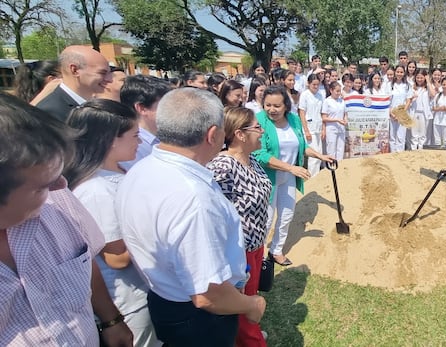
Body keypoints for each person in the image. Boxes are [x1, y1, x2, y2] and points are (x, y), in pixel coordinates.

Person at [116, 88, 266, 346]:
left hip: (165, 301)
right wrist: (252, 304)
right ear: (212, 134)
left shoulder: (140, 170)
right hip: (199, 318)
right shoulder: (193, 198)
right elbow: (208, 295)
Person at [0, 93, 133, 347]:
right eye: (41, 186)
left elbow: (84, 258)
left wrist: (111, 319)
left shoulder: (59, 200)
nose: (62, 185)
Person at [63, 99, 161, 347]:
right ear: (109, 139)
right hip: (128, 303)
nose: (139, 142)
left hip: (142, 292)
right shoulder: (97, 189)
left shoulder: (116, 172)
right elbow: (117, 258)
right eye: (134, 135)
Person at [207, 106, 272, 347]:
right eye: (257, 127)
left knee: (251, 298)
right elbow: (215, 213)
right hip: (237, 251)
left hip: (255, 245)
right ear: (240, 134)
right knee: (242, 306)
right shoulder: (223, 166)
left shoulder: (252, 160)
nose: (262, 131)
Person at [254, 86, 334, 266]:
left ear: (286, 106)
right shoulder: (259, 121)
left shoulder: (294, 120)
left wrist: (320, 155)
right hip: (268, 179)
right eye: (268, 105)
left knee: (287, 215)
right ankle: (256, 255)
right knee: (266, 219)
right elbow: (261, 154)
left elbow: (301, 146)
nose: (272, 110)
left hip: (288, 178)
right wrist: (290, 168)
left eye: (277, 106)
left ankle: (276, 250)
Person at [36, 45, 113, 120]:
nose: (110, 79)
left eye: (110, 73)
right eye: (102, 73)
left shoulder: (99, 104)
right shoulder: (50, 112)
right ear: (75, 70)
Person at [118, 75, 172, 170]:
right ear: (142, 108)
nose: (173, 109)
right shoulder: (130, 148)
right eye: (165, 105)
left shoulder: (165, 138)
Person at [298, 73, 325, 177]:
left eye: (317, 84)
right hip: (309, 128)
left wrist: (323, 129)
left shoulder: (320, 95)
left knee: (319, 154)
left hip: (318, 126)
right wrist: (306, 130)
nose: (316, 86)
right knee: (313, 156)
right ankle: (312, 177)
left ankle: (317, 176)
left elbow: (322, 113)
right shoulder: (305, 95)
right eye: (313, 84)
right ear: (309, 84)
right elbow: (302, 113)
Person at [389, 65, 413, 152]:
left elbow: (408, 101)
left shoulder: (407, 86)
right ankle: (392, 154)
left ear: (404, 73)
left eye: (401, 72)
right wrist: (391, 114)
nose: (399, 74)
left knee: (401, 136)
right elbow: (387, 101)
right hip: (391, 114)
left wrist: (401, 113)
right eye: (398, 72)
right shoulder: (389, 85)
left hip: (402, 114)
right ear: (395, 72)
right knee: (392, 136)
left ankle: (400, 155)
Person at [322, 81, 348, 160]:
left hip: (341, 128)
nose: (338, 93)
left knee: (340, 149)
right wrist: (337, 120)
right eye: (336, 91)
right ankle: (331, 168)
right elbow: (324, 118)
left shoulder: (342, 101)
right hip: (331, 129)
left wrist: (345, 120)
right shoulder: (327, 101)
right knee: (331, 150)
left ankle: (339, 167)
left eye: (339, 91)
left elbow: (345, 113)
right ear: (331, 90)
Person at [408, 68, 432, 150]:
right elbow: (408, 99)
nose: (419, 79)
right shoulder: (412, 87)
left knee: (422, 134)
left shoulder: (427, 88)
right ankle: (414, 150)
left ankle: (421, 151)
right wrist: (412, 97)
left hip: (424, 113)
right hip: (414, 113)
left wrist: (428, 81)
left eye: (421, 77)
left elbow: (433, 94)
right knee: (414, 134)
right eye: (417, 77)